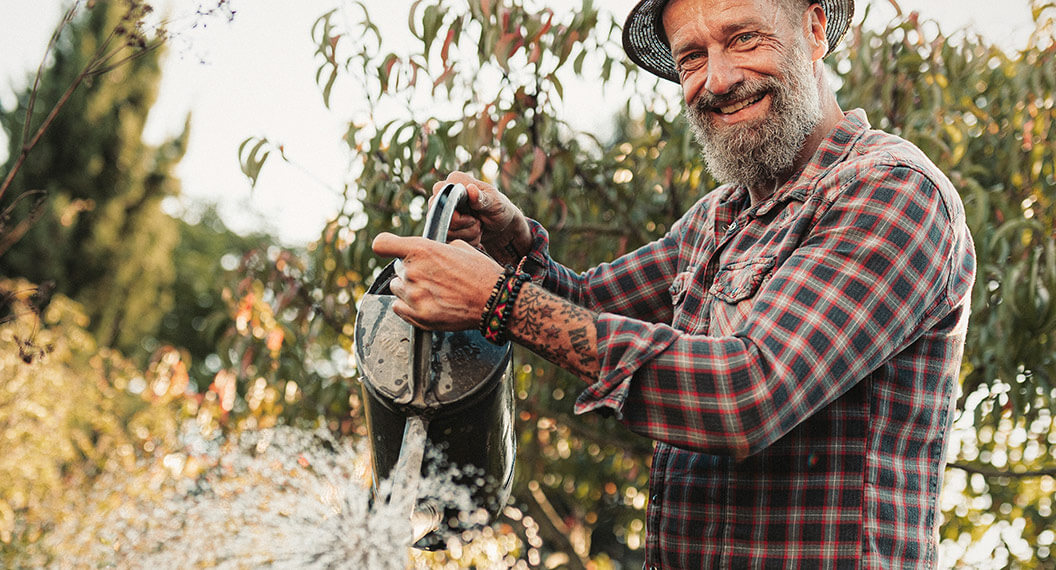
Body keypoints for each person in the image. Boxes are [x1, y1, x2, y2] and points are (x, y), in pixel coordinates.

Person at [369, 0, 976, 566]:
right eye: (692, 57)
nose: (715, 80)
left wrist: (498, 300)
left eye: (743, 39)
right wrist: (511, 248)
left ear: (814, 30)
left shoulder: (893, 191)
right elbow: (582, 306)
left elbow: (745, 395)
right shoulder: (721, 217)